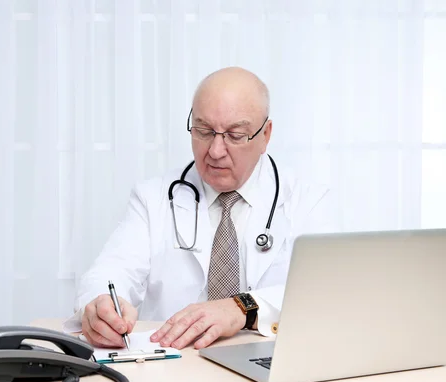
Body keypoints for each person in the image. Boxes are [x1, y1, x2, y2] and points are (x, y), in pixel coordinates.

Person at [64, 66, 334, 350]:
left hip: (271, 363)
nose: (215, 151)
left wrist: (241, 309)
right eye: (204, 131)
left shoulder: (306, 201)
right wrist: (100, 307)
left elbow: (327, 291)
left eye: (235, 135)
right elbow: (111, 271)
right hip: (174, 365)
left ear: (265, 134)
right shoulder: (152, 198)